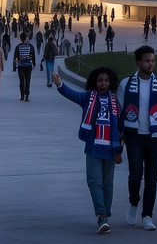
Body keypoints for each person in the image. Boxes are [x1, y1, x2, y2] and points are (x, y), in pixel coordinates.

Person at [53, 66, 124, 234]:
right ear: (94, 82)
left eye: (106, 81)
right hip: (93, 148)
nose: (103, 83)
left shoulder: (115, 101)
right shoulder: (88, 98)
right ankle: (101, 215)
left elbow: (120, 127)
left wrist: (120, 150)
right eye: (100, 80)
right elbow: (72, 94)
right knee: (94, 182)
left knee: (108, 184)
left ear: (111, 82)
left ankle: (105, 212)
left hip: (111, 149)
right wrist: (60, 84)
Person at [121, 45, 157, 231]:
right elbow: (120, 108)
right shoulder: (126, 84)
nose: (151, 64)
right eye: (147, 60)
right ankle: (134, 203)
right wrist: (121, 134)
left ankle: (147, 215)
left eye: (153, 60)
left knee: (152, 178)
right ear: (138, 62)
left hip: (154, 136)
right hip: (134, 135)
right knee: (135, 176)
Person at [12, 34, 36, 101]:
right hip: (28, 66)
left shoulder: (18, 46)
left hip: (20, 66)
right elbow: (33, 56)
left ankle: (22, 95)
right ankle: (27, 96)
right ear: (26, 38)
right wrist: (34, 64)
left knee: (22, 81)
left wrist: (14, 66)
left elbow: (15, 57)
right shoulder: (30, 46)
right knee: (28, 81)